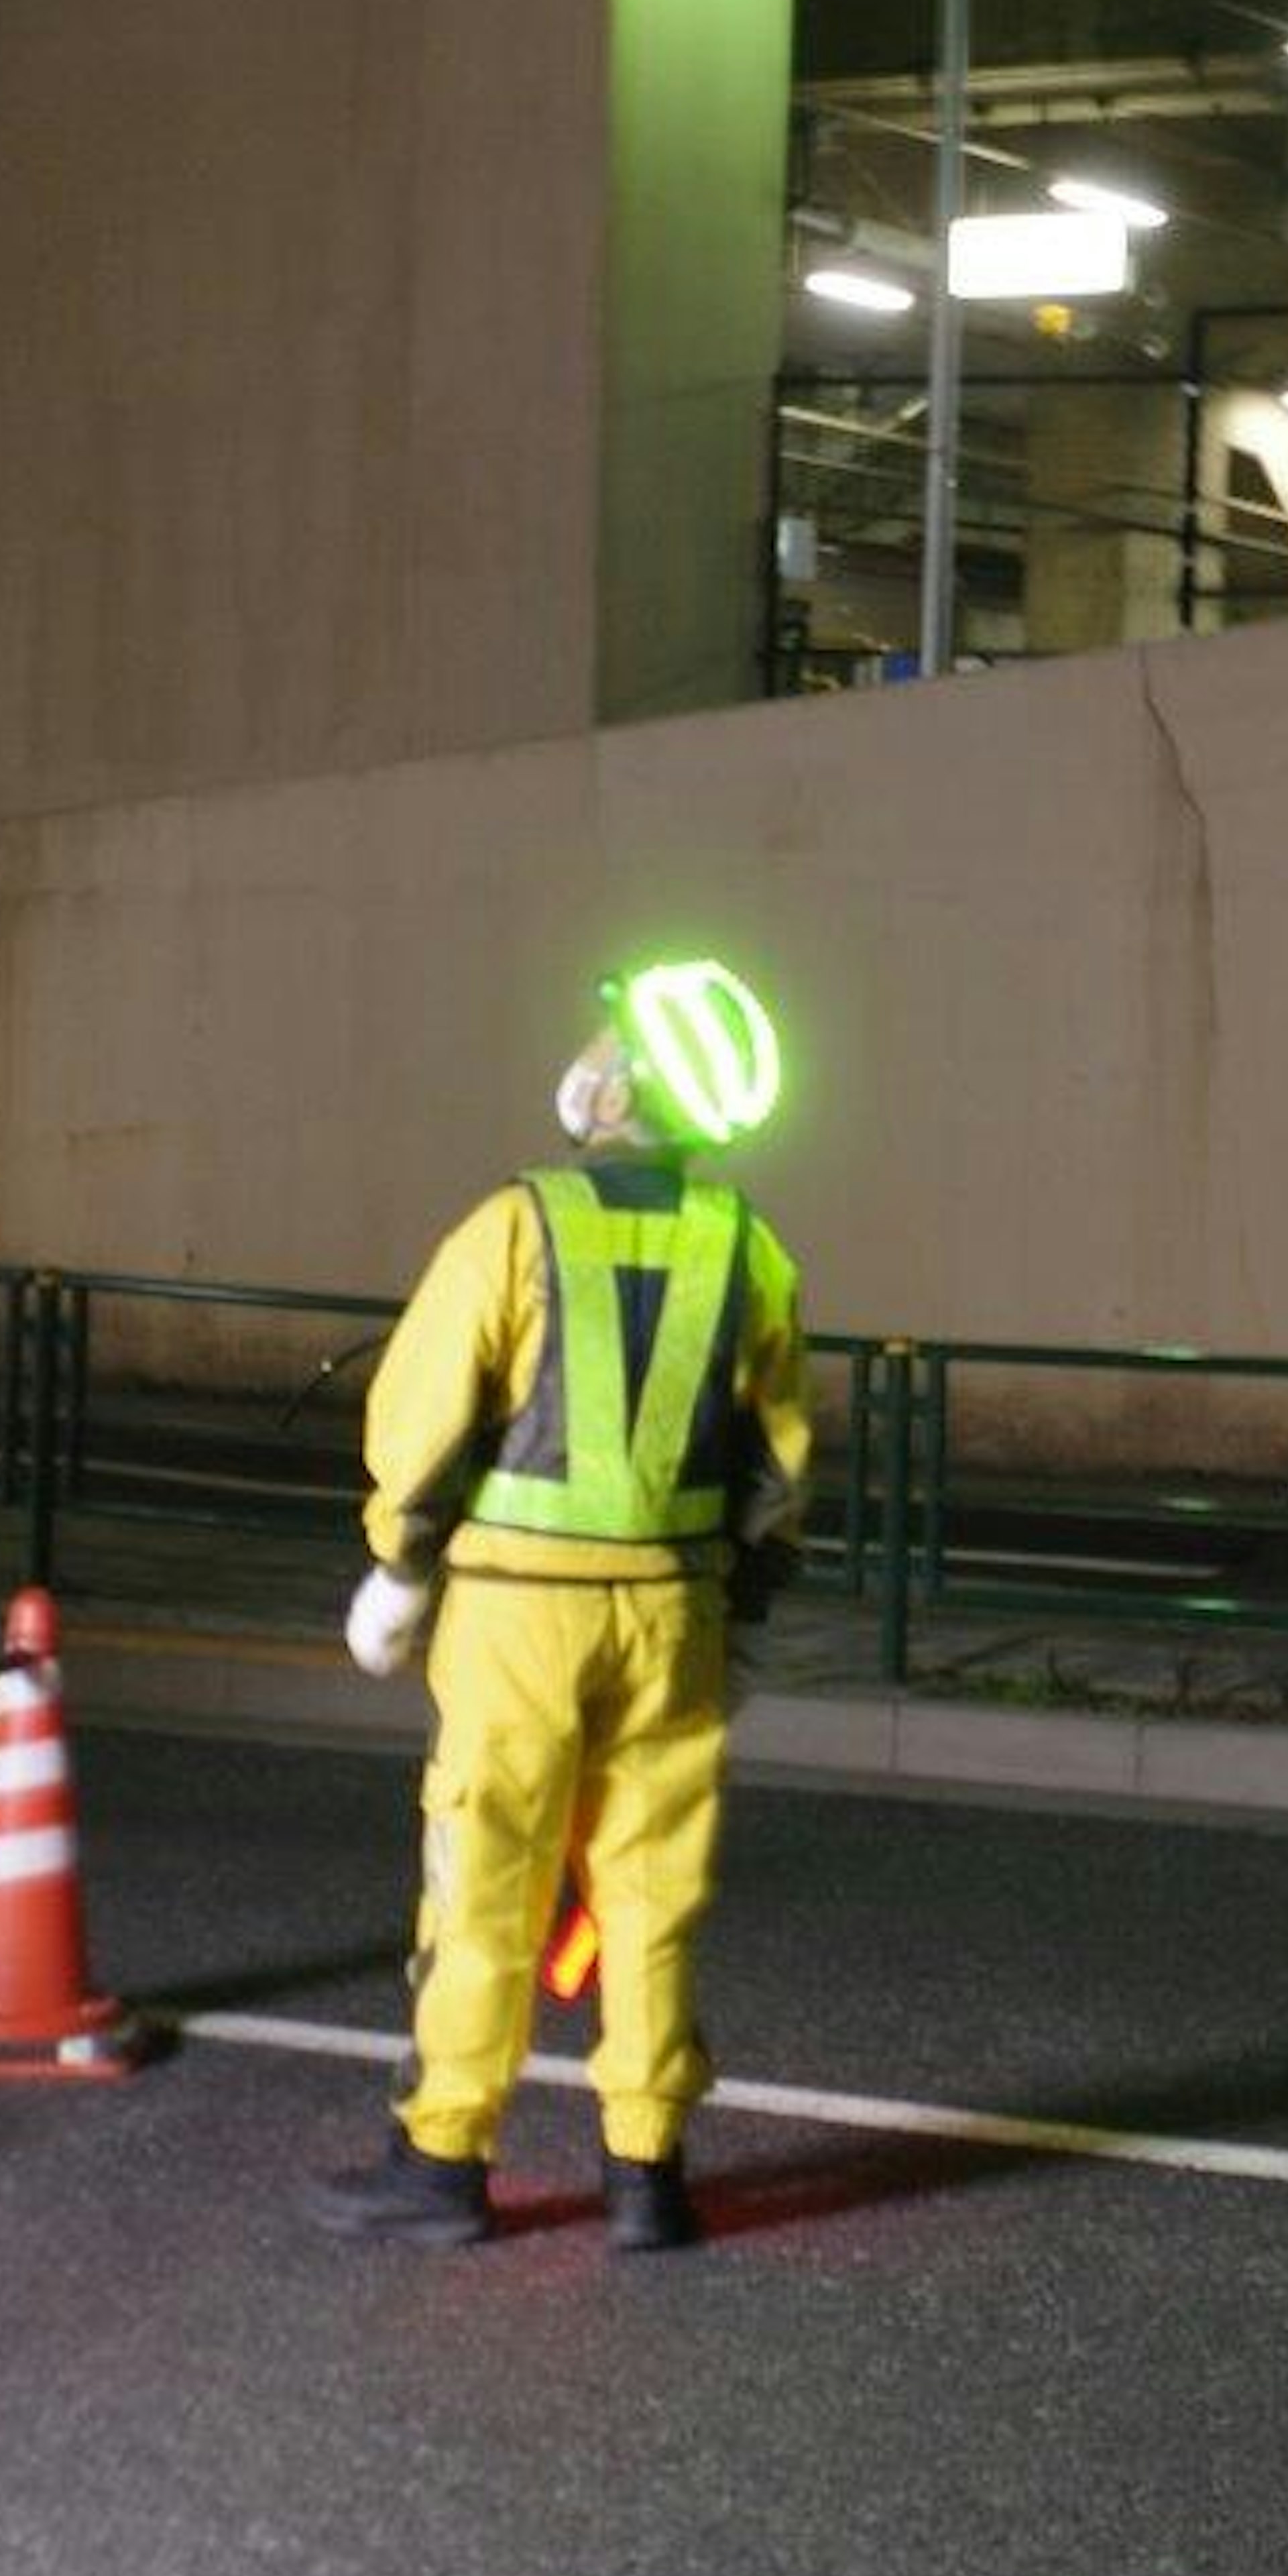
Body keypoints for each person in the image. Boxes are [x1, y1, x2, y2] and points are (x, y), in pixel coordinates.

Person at [306, 956, 809, 2254]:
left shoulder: (516, 1224)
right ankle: (648, 2172)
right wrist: (744, 1613)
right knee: (651, 1895)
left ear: (626, 1075)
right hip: (676, 1617)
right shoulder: (747, 1247)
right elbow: (781, 1467)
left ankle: (445, 2158)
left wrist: (397, 1567)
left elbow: (423, 1420)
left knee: (487, 1880)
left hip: (519, 1616)